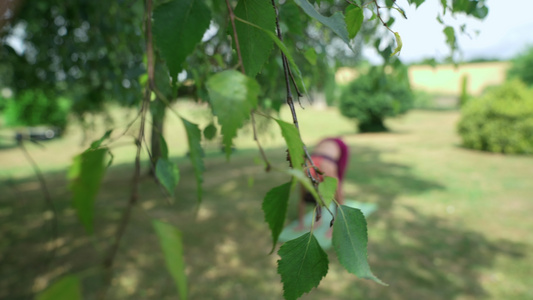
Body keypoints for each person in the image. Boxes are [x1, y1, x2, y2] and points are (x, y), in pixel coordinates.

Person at [298, 138, 350, 232]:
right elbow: (302, 200)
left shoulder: (327, 171)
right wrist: (301, 224)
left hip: (339, 146)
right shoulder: (305, 175)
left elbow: (340, 198)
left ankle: (336, 225)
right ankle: (319, 219)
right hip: (323, 143)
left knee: (338, 189)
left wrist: (335, 228)